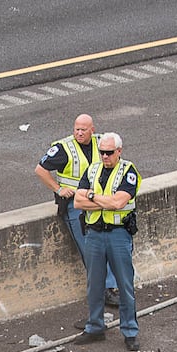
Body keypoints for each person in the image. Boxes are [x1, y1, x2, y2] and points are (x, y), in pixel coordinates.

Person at [35, 113, 117, 303]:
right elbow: (40, 170)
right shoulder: (64, 148)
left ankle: (110, 286)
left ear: (92, 130)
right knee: (90, 248)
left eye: (83, 130)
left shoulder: (101, 143)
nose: (79, 133)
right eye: (76, 129)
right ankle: (103, 290)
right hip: (74, 206)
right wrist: (58, 189)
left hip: (97, 201)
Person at [73, 133, 142, 351]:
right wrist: (103, 201)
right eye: (102, 152)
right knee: (95, 284)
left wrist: (92, 197)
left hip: (118, 234)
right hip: (94, 233)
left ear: (119, 151)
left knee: (124, 284)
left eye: (109, 153)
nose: (104, 156)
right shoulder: (92, 170)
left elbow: (117, 203)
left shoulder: (128, 171)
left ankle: (130, 331)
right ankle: (95, 327)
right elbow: (77, 201)